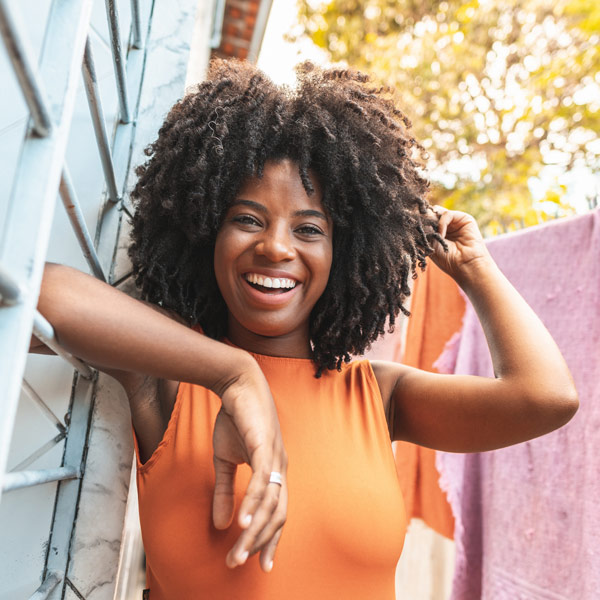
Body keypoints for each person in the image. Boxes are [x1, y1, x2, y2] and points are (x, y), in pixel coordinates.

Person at [32, 59, 578, 599]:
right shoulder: (172, 380)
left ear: (344, 253)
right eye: (247, 219)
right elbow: (41, 293)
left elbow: (545, 398)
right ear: (203, 234)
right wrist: (234, 373)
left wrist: (477, 271)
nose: (275, 247)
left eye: (309, 228)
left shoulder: (377, 395)